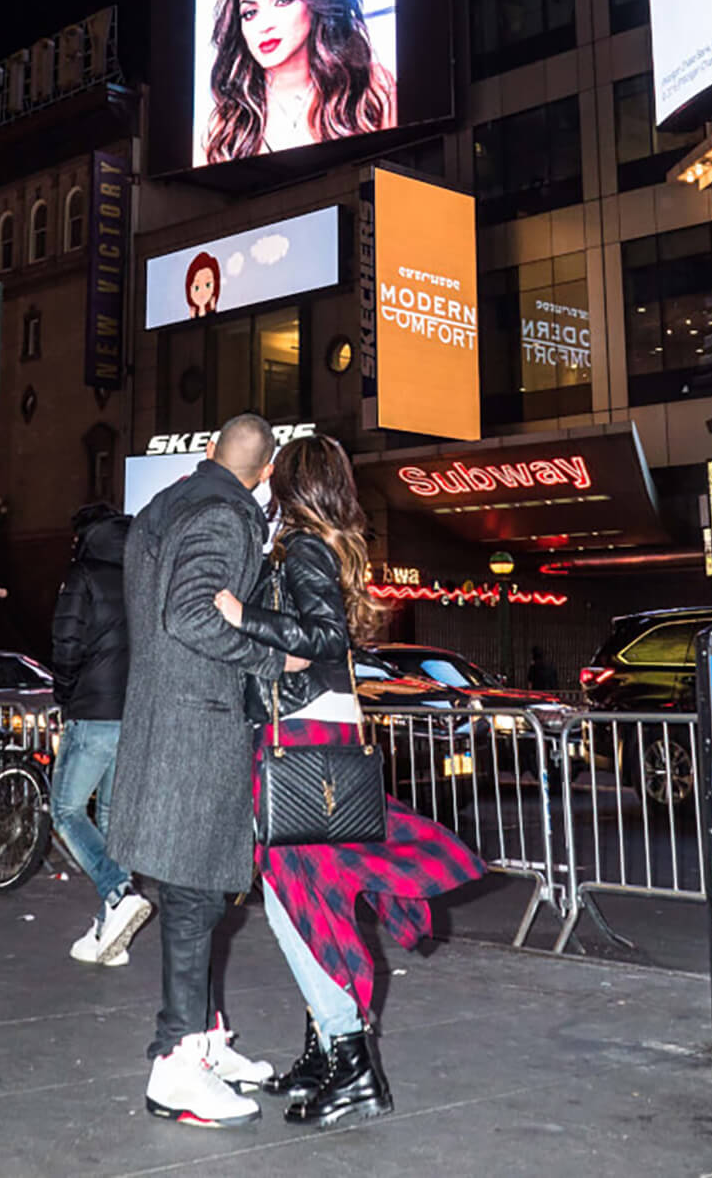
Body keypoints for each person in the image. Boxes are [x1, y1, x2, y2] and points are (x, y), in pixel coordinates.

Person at [214, 433, 486, 1131]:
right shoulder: (314, 545)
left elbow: (322, 636)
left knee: (300, 901)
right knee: (305, 895)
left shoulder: (303, 547)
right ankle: (326, 1051)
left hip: (305, 737)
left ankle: (352, 1064)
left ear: (289, 487)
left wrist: (243, 614)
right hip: (320, 732)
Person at [107, 413, 304, 1129]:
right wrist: (271, 656)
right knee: (194, 901)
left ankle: (203, 1041)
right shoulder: (228, 516)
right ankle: (177, 1064)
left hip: (164, 718)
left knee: (196, 896)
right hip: (198, 725)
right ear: (265, 473)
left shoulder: (167, 504)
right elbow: (190, 616)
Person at [50, 502, 151, 967]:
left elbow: (67, 641)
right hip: (136, 711)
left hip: (93, 708)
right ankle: (112, 936)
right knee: (113, 820)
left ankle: (117, 891)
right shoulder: (141, 574)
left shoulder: (82, 573)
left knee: (66, 809)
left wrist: (67, 693)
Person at [201, 0, 396, 164]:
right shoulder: (229, 124)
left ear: (315, 0)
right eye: (250, 13)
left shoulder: (372, 87)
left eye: (284, 0)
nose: (264, 25)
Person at [185, 250, 221, 318]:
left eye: (207, 285)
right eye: (196, 288)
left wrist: (212, 310)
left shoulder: (212, 310)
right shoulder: (194, 313)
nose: (202, 292)